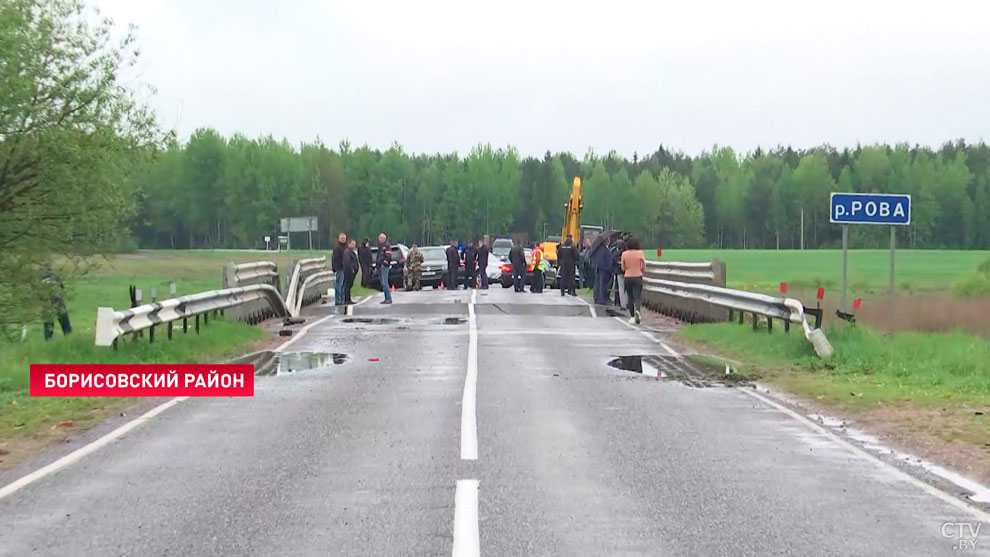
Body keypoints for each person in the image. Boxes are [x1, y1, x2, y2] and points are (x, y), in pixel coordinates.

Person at [42, 264, 72, 341]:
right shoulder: (56, 277)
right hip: (58, 302)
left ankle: (48, 342)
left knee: (48, 327)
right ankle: (69, 340)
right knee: (66, 325)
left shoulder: (41, 280)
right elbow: (62, 288)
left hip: (47, 304)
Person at [621, 236, 646, 324]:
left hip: (628, 277)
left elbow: (623, 268)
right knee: (637, 296)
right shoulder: (640, 253)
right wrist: (641, 271)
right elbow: (643, 265)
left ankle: (632, 316)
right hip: (638, 276)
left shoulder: (624, 254)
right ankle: (638, 310)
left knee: (630, 297)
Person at [592, 235, 613, 305]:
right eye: (608, 239)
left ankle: (599, 298)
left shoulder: (604, 248)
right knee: (602, 285)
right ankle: (601, 299)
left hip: (603, 269)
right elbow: (601, 260)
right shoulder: (602, 249)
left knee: (600, 284)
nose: (609, 240)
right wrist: (606, 268)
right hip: (603, 270)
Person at [331, 232, 348, 306]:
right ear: (339, 239)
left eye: (344, 238)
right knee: (339, 285)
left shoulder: (346, 247)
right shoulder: (337, 248)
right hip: (339, 268)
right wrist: (335, 268)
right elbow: (335, 259)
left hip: (345, 269)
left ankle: (342, 299)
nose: (343, 239)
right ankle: (338, 300)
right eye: (341, 238)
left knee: (343, 285)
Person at [376, 232, 393, 304]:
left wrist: (384, 264)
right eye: (379, 238)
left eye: (381, 238)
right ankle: (386, 298)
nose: (379, 239)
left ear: (384, 238)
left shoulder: (386, 245)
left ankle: (388, 298)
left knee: (385, 282)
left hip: (384, 266)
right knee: (383, 283)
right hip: (380, 266)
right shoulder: (380, 246)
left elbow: (388, 256)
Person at [612, 236, 628, 307]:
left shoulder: (615, 248)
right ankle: (626, 303)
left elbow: (613, 258)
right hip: (626, 271)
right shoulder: (625, 250)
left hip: (618, 270)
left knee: (620, 287)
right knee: (625, 288)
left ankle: (621, 303)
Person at [344, 239, 359, 304]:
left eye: (354, 244)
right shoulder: (347, 252)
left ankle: (348, 299)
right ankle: (347, 299)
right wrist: (351, 269)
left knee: (350, 285)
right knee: (347, 285)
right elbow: (347, 262)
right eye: (352, 244)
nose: (354, 245)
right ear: (349, 244)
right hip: (349, 272)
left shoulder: (352, 252)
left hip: (353, 271)